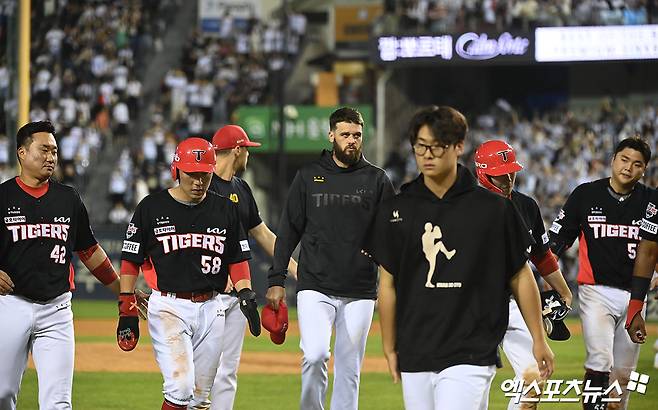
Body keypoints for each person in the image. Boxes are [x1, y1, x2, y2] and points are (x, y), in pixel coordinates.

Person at [365, 106, 554, 410]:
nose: (427, 155)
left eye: (437, 146)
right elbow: (387, 283)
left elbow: (520, 275)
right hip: (416, 349)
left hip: (472, 350)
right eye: (420, 147)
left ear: (458, 146)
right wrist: (389, 347)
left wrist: (538, 339)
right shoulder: (397, 210)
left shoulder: (495, 209)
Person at [116, 137, 259, 410]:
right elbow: (130, 259)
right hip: (169, 306)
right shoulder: (151, 207)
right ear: (176, 170)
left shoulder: (225, 209)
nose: (198, 182)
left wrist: (246, 292)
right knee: (180, 388)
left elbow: (238, 259)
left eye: (204, 175)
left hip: (212, 307)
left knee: (200, 397)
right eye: (191, 174)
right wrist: (126, 306)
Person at [266, 107, 395, 410]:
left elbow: (393, 230)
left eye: (357, 135)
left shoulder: (377, 180)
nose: (352, 140)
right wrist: (276, 280)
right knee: (314, 355)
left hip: (360, 289)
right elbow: (288, 232)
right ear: (331, 135)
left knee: (350, 370)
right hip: (315, 285)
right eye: (345, 134)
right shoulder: (309, 176)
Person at [0, 120, 127, 409]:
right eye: (44, 149)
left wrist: (123, 290)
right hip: (9, 304)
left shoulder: (67, 199)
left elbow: (90, 251)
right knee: (2, 393)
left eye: (55, 151)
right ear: (22, 153)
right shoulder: (3, 197)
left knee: (58, 403)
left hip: (56, 309)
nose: (51, 157)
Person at [549, 137, 652, 410]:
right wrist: (544, 276)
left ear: (645, 170)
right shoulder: (585, 194)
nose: (628, 168)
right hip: (596, 292)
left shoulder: (651, 201)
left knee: (624, 375)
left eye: (637, 164)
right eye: (624, 159)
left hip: (636, 295)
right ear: (613, 159)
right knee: (599, 361)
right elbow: (557, 239)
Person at [475, 139, 572, 409]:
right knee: (472, 393)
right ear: (483, 172)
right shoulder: (466, 205)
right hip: (474, 307)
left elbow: (541, 255)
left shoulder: (526, 205)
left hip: (515, 301)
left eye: (511, 171)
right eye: (500, 173)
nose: (508, 178)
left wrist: (563, 289)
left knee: (534, 382)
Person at [208, 124, 298, 410]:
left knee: (228, 371)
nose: (249, 155)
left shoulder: (241, 188)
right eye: (247, 149)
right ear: (237, 150)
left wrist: (295, 269)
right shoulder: (201, 184)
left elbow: (263, 234)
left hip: (238, 294)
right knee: (200, 372)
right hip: (204, 295)